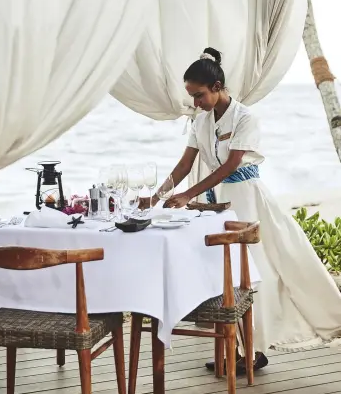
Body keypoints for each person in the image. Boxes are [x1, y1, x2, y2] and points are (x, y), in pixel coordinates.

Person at [142, 47, 341, 373]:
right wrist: (157, 194)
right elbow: (185, 163)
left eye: (200, 95)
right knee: (226, 275)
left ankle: (254, 351)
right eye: (192, 96)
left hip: (247, 201)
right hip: (218, 204)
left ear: (218, 86)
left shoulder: (246, 118)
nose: (196, 103)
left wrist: (188, 194)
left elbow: (232, 164)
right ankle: (234, 349)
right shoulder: (201, 121)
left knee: (256, 275)